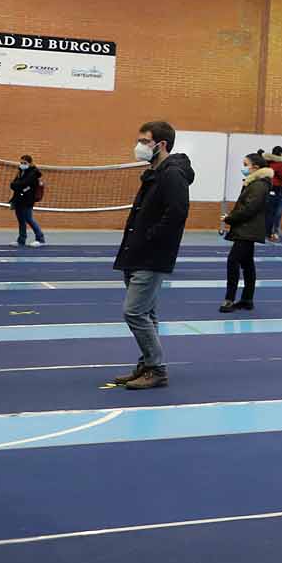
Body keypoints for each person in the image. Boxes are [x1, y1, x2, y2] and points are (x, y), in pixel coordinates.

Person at [108, 121, 194, 391]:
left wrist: (151, 237)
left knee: (133, 312)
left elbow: (177, 212)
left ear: (161, 144)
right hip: (137, 252)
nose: (139, 146)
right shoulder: (154, 172)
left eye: (144, 141)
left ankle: (157, 369)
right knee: (147, 313)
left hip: (151, 255)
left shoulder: (172, 174)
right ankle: (147, 364)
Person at [219, 151, 271, 312]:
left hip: (248, 229)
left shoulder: (259, 185)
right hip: (248, 229)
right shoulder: (255, 183)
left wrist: (230, 218)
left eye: (245, 165)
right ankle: (247, 299)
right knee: (247, 263)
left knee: (233, 261)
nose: (243, 168)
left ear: (255, 167)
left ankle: (229, 299)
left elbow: (249, 209)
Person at [10, 155, 45, 247]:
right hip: (18, 198)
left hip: (28, 200)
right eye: (21, 163)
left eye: (24, 163)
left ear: (30, 163)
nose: (22, 164)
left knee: (29, 219)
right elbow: (13, 184)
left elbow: (24, 183)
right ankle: (21, 240)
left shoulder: (33, 173)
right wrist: (17, 185)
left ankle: (40, 239)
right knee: (21, 220)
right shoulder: (20, 172)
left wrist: (17, 185)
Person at [265, 145, 282, 243]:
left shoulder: (267, 162)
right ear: (280, 153)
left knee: (267, 212)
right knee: (272, 213)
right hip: (275, 189)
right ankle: (269, 233)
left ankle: (265, 232)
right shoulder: (279, 164)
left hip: (267, 188)